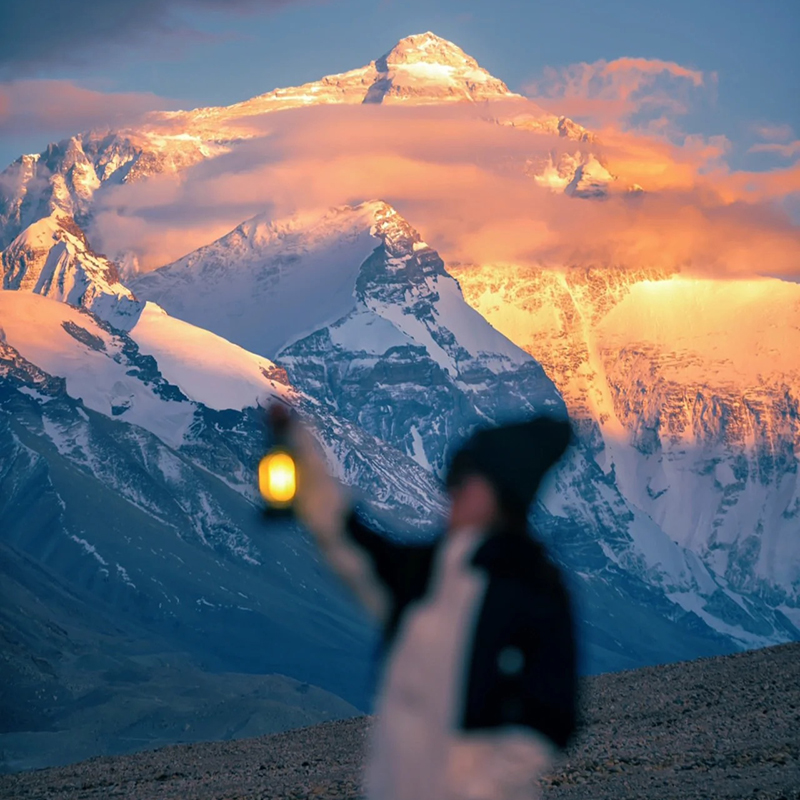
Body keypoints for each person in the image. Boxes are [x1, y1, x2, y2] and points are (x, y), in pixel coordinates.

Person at [283, 412, 578, 800]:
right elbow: (346, 538)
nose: (449, 492)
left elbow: (551, 715)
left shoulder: (530, 587)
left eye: (462, 482)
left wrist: (481, 789)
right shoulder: (428, 571)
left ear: (496, 493)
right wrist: (297, 442)